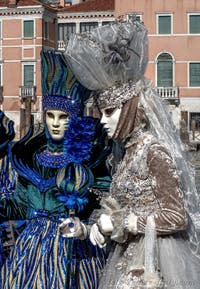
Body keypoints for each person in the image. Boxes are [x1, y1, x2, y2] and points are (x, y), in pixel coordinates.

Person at [64, 19, 200, 289]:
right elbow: (120, 210)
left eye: (109, 112)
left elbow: (177, 216)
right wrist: (88, 230)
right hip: (126, 259)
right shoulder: (124, 155)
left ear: (128, 109)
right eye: (101, 113)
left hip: (156, 262)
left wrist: (124, 222)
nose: (103, 121)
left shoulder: (154, 152)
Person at [0, 50, 111, 289]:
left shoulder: (88, 160)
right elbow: (19, 205)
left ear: (74, 117)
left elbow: (105, 208)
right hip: (30, 253)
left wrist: (84, 222)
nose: (56, 123)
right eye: (50, 115)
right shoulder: (29, 159)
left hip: (73, 253)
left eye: (63, 116)